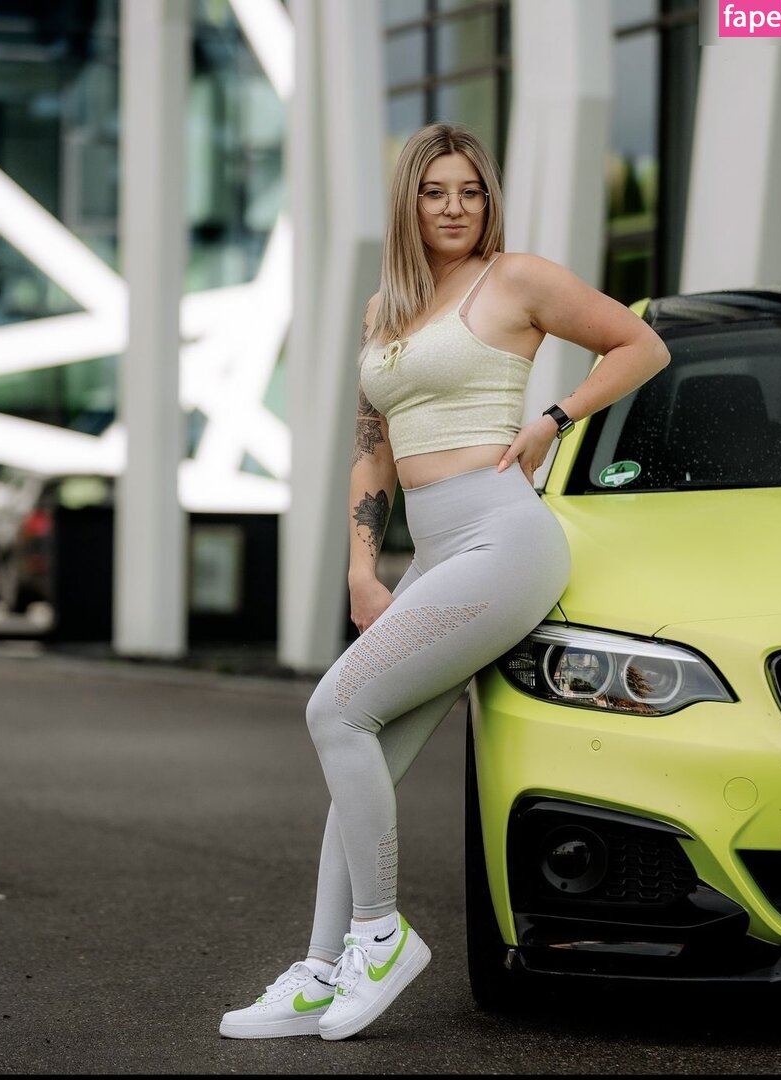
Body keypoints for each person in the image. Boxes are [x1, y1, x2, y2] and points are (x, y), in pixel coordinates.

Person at [219, 122, 670, 1042]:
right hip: (430, 552)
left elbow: (639, 345)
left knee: (334, 711)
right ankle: (320, 970)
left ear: (487, 198)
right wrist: (361, 568)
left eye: (469, 190)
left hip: (503, 539)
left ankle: (380, 938)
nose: (454, 207)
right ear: (409, 204)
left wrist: (553, 418)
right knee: (362, 757)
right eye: (435, 192)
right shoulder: (383, 311)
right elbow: (371, 452)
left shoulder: (516, 279)